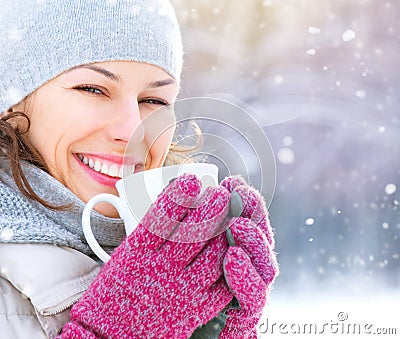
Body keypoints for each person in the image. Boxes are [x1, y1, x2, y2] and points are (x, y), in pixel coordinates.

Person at [0, 0, 278, 338]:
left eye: (155, 101)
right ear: (10, 101)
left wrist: (216, 329)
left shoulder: (176, 268)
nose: (133, 130)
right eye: (93, 89)